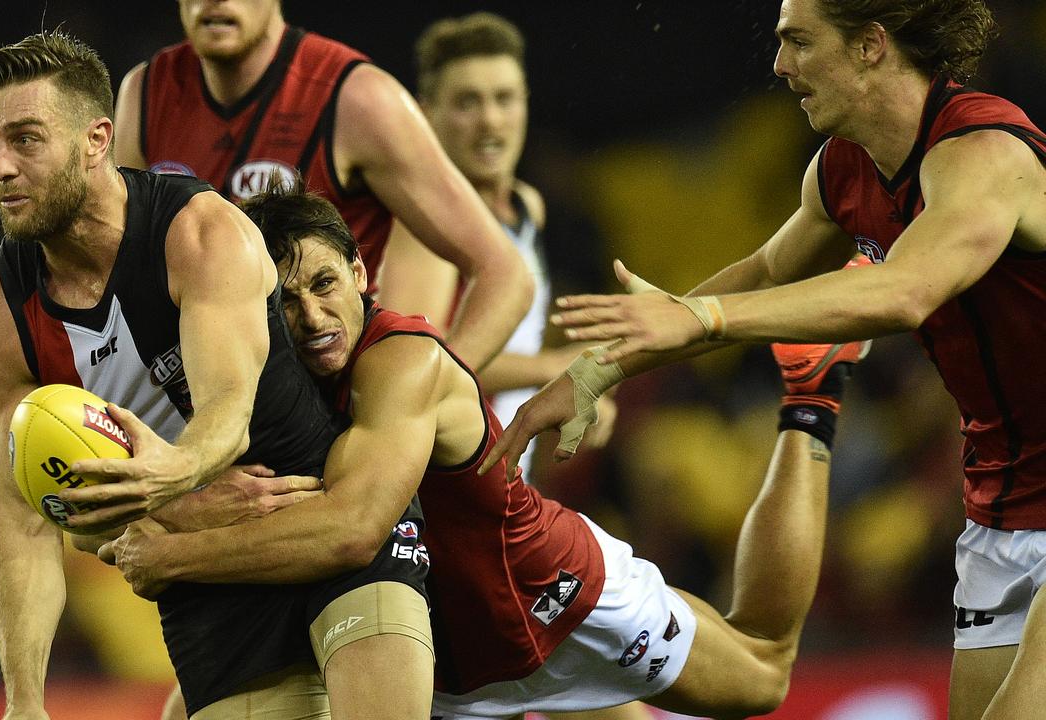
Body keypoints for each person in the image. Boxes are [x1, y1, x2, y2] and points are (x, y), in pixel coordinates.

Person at [98, 183, 868, 719]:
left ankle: (809, 394)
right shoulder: (264, 381)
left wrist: (173, 557)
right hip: (442, 665)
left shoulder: (401, 361)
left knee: (762, 673)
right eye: (286, 300)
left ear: (362, 273)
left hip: (552, 599)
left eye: (326, 284)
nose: (311, 316)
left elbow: (352, 528)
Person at [489, 2, 1046, 718]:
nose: (780, 67)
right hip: (1001, 508)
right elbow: (764, 272)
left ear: (872, 46)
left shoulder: (983, 151)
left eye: (800, 43)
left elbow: (905, 292)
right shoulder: (843, 170)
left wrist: (702, 314)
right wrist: (600, 368)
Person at [0, 31, 432, 720]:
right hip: (203, 591)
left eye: (26, 139)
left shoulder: (200, 233)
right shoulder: (2, 317)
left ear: (97, 140)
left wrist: (169, 481)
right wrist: (24, 702)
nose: (1, 166)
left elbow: (227, 413)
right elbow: (21, 516)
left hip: (315, 526)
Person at [111, 0, 534, 373]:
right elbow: (115, 278)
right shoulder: (144, 91)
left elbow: (505, 274)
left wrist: (429, 399)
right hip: (201, 399)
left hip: (327, 411)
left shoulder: (357, 97)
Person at [405, 11, 615, 482]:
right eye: (467, 102)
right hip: (442, 484)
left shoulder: (527, 205)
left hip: (505, 477)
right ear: (424, 112)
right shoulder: (424, 223)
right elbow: (411, 370)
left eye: (504, 98)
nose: (490, 120)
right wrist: (557, 369)